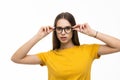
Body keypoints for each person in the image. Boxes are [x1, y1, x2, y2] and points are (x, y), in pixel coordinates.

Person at [11, 12, 120, 80]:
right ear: (55, 31)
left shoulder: (88, 50)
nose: (63, 33)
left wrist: (93, 33)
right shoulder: (49, 56)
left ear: (73, 30)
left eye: (67, 28)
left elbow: (118, 46)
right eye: (59, 29)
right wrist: (38, 36)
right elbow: (16, 58)